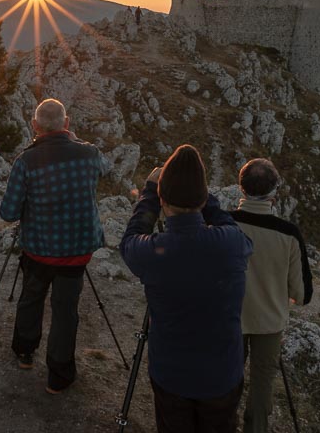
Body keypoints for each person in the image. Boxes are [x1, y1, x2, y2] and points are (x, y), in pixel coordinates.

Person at [120, 145, 252, 433]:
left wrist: (149, 195)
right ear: (204, 198)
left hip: (172, 375)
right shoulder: (231, 243)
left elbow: (129, 239)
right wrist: (207, 200)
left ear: (163, 200)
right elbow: (230, 225)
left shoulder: (150, 252)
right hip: (222, 375)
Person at [0, 98, 106, 394]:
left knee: (32, 297)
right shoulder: (90, 154)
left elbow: (8, 213)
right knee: (65, 310)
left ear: (34, 126)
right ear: (67, 124)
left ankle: (24, 352)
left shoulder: (26, 160)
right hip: (76, 251)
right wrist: (76, 142)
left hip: (39, 249)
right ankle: (58, 376)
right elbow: (105, 169)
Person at [231, 158, 312, 433]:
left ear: (241, 189)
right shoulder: (288, 234)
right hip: (269, 324)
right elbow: (301, 293)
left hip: (230, 319)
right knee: (262, 384)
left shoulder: (224, 225)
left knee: (228, 380)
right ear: (274, 193)